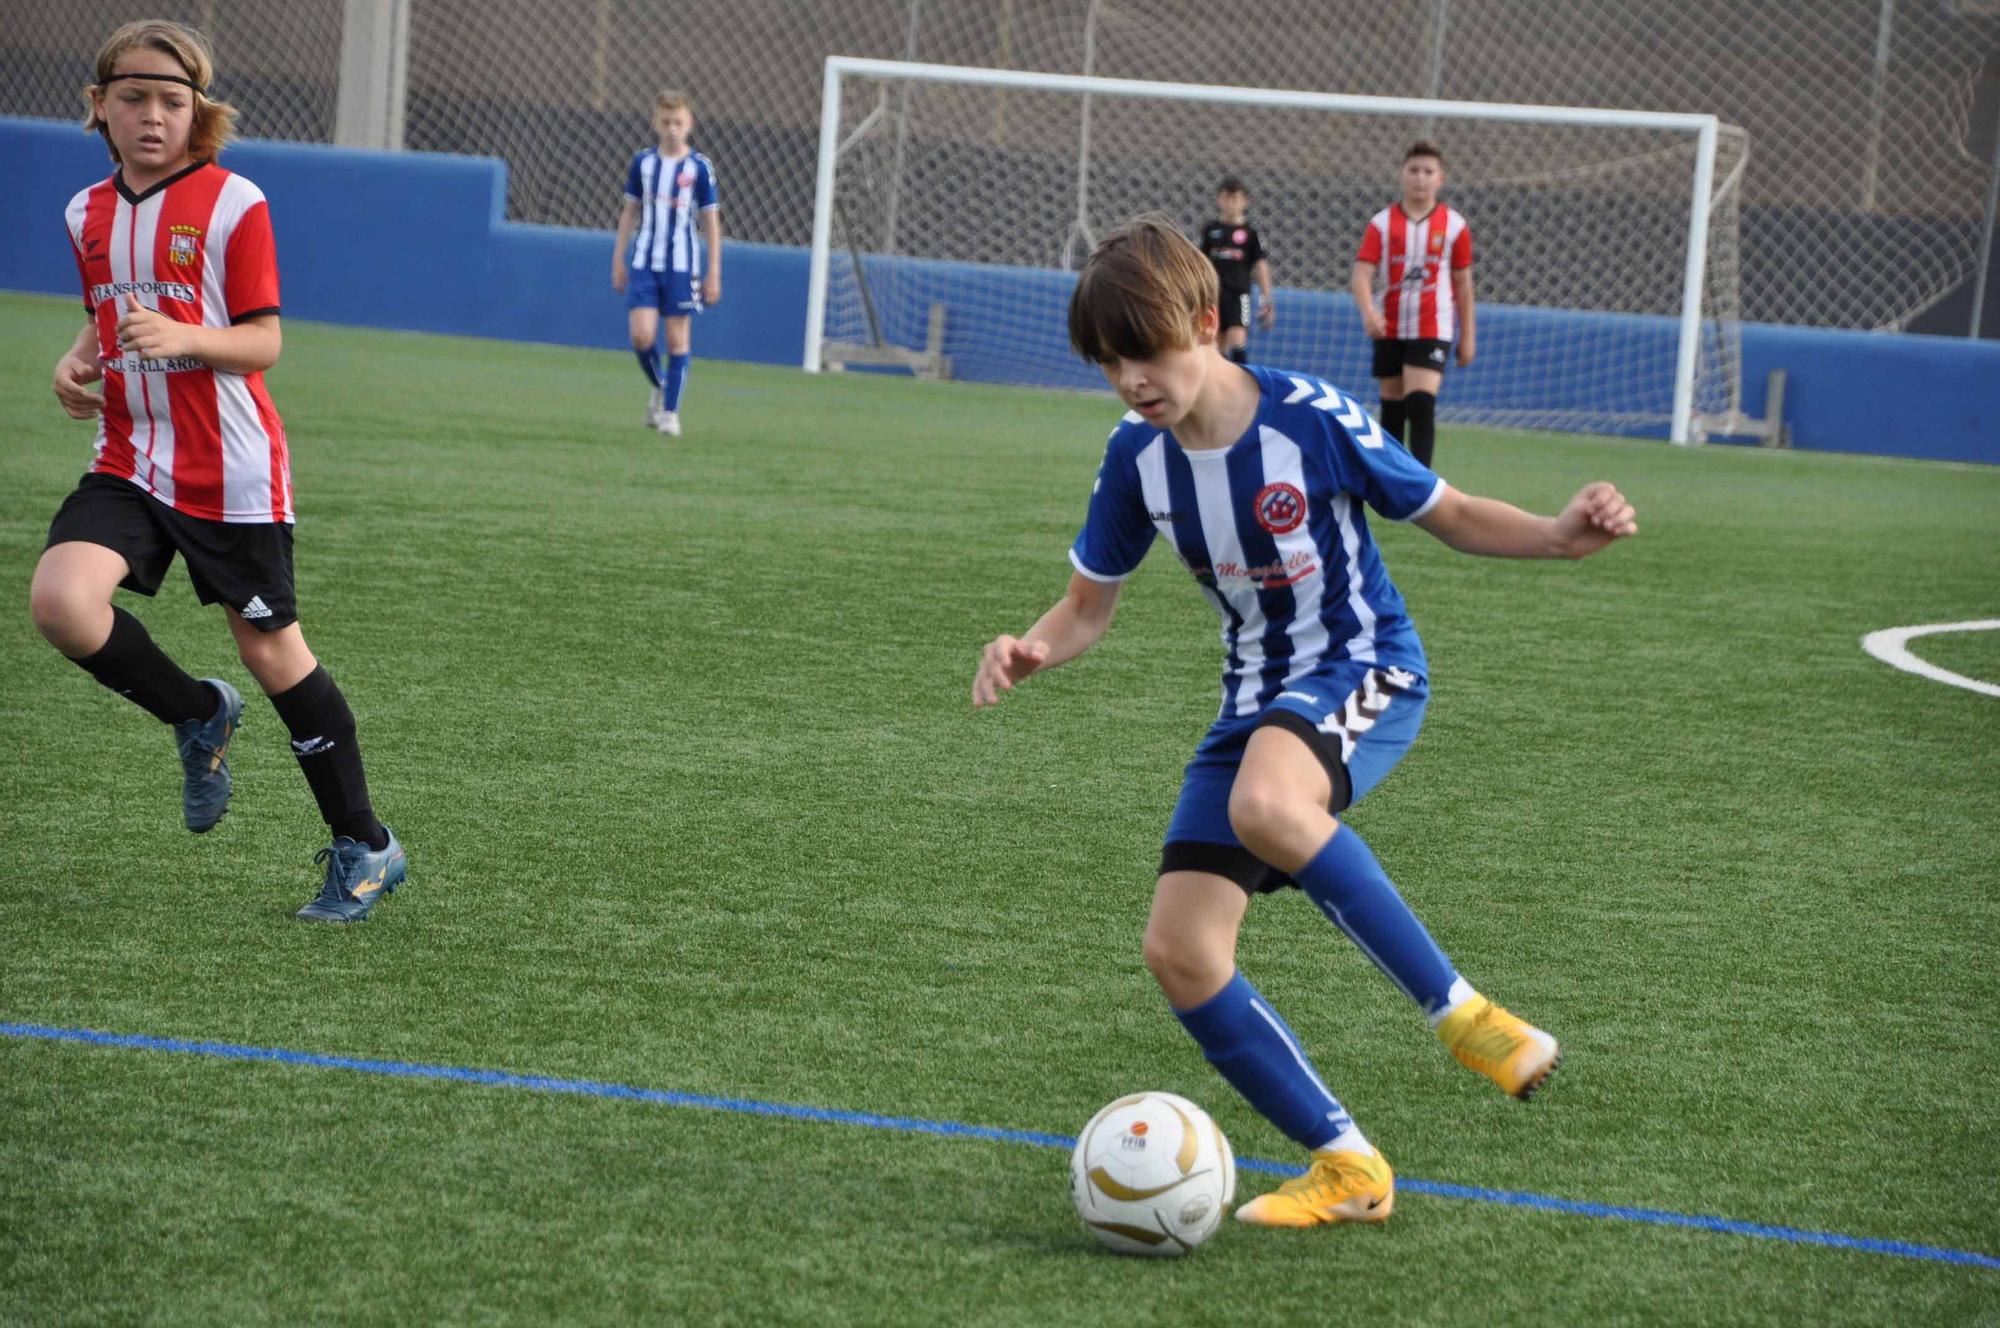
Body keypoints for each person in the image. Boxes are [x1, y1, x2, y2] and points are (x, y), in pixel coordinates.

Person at [973, 218, 1635, 1229]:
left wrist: (1556, 536)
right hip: (1254, 701)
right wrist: (1029, 645)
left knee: (1265, 800)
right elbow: (1085, 607)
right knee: (1181, 949)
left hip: (1364, 663)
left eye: (1142, 352)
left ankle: (1465, 1017)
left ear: (1204, 322)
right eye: (1107, 362)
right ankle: (1346, 1163)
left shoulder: (1307, 417)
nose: (1128, 380)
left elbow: (1447, 512)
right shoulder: (1134, 459)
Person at [39, 19, 406, 924]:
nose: (154, 117)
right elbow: (108, 306)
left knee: (272, 651)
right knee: (63, 603)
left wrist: (187, 338)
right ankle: (197, 712)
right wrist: (76, 360)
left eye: (173, 101)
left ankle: (367, 845)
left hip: (231, 472)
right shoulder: (84, 212)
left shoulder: (235, 202)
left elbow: (263, 340)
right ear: (99, 107)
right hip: (128, 458)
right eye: (134, 99)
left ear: (198, 110)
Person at [1351, 142, 1474, 468]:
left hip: (1434, 324)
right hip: (1390, 324)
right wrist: (1368, 312)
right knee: (1392, 403)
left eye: (1428, 172)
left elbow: (1463, 283)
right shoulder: (1381, 224)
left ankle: (1422, 485)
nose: (1420, 178)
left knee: (1420, 401)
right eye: (1414, 170)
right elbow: (1362, 274)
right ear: (1402, 174)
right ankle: (1391, 478)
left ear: (1441, 179)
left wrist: (1468, 335)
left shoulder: (1454, 225)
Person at [612, 90, 721, 438]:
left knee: (677, 340)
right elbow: (629, 212)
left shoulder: (699, 168)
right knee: (641, 335)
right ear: (655, 122)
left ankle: (670, 413)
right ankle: (660, 386)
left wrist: (713, 270)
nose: (672, 128)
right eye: (666, 122)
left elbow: (711, 222)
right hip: (645, 260)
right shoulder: (642, 163)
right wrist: (618, 258)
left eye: (679, 122)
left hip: (681, 264)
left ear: (689, 124)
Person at [1197, 177, 1274, 366]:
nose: (1230, 203)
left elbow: (1261, 265)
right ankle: (1218, 391)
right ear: (1219, 200)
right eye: (1226, 198)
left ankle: (1241, 387)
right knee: (1215, 346)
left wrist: (1266, 300)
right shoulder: (1210, 230)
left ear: (1244, 201)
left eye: (1236, 198)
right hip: (1213, 295)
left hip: (1239, 294)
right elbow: (1200, 262)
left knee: (1237, 341)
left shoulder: (1250, 233)